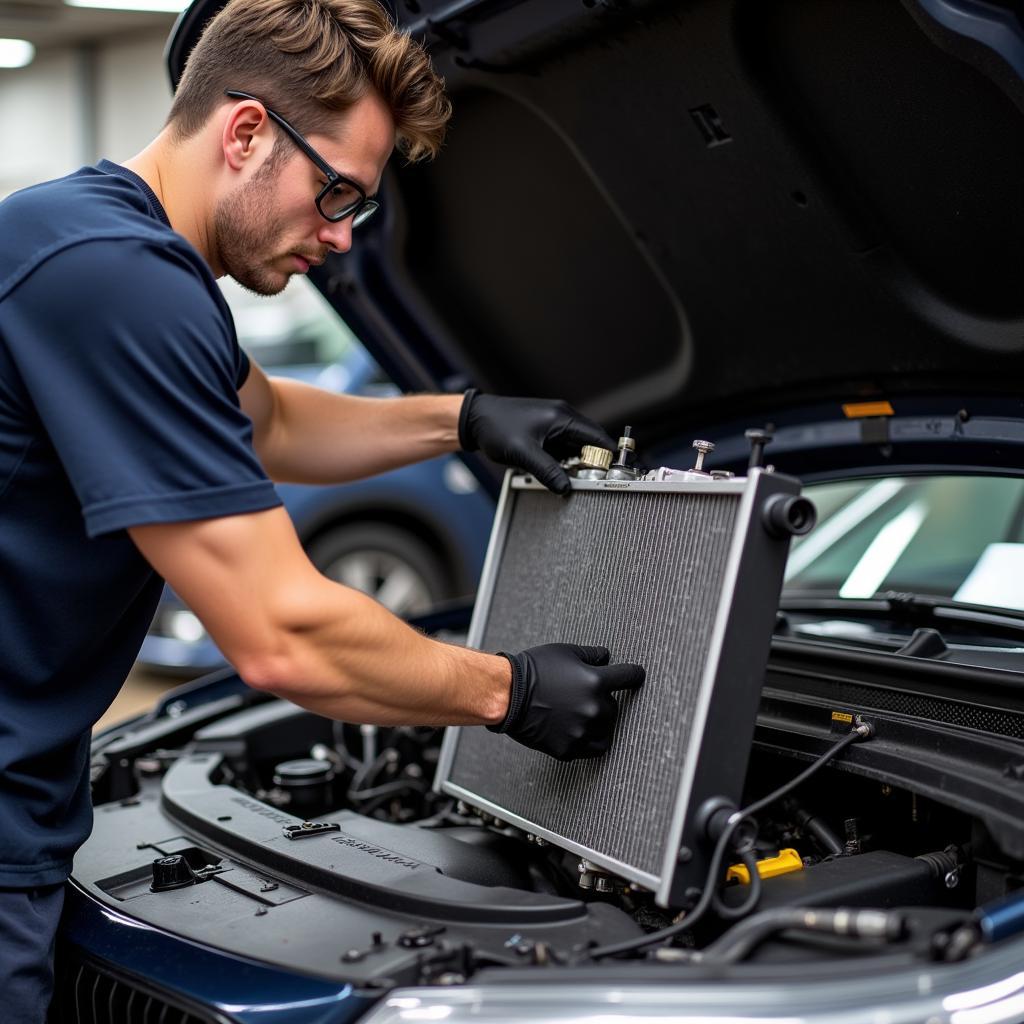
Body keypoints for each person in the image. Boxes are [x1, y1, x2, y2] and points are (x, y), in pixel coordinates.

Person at [0, 0, 645, 1016]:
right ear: (247, 131)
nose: (342, 237)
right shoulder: (120, 279)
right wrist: (508, 692)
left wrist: (465, 420)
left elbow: (271, 422)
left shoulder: (89, 237)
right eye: (335, 191)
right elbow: (284, 637)